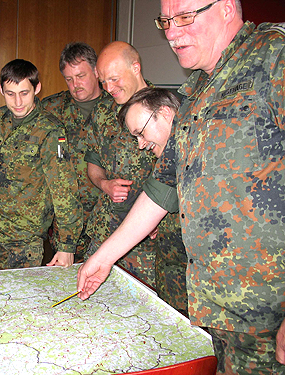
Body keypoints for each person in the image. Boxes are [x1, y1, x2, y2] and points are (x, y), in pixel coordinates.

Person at [78, 0, 285, 373]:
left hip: (270, 312)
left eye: (185, 17)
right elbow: (162, 188)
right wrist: (104, 257)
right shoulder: (196, 93)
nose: (172, 33)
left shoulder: (274, 56)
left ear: (225, 8)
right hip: (221, 308)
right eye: (166, 21)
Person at [0, 59, 83, 270]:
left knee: (22, 299)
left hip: (24, 239)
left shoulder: (50, 130)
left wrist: (67, 245)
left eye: (24, 93)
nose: (18, 102)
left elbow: (63, 189)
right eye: (10, 93)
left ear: (37, 88)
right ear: (1, 89)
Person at [84, 41, 158, 287]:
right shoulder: (102, 111)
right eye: (103, 81)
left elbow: (180, 178)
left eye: (114, 79)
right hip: (104, 229)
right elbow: (92, 163)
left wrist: (160, 219)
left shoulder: (167, 110)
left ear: (135, 67)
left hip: (147, 243)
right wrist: (104, 184)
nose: (109, 88)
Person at [117, 87, 188, 316]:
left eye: (141, 133)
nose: (140, 144)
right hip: (171, 280)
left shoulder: (199, 154)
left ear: (166, 113)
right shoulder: (167, 157)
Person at [42, 42, 103, 262]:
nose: (75, 85)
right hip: (66, 216)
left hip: (105, 213)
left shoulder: (117, 106)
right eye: (69, 79)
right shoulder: (51, 108)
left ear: (97, 72)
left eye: (80, 76)